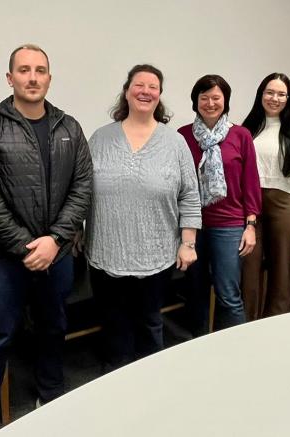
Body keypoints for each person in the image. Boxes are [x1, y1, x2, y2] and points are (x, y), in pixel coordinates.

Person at [0, 44, 92, 436]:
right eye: (24, 70)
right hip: (2, 257)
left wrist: (54, 240)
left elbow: (83, 186)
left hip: (58, 253)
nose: (32, 77)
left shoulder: (69, 127)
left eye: (40, 70)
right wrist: (26, 246)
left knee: (53, 326)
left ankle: (51, 395)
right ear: (10, 78)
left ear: (49, 79)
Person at [86, 64, 201, 370]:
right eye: (139, 85)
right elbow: (81, 190)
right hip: (106, 252)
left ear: (159, 95)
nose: (145, 91)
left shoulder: (174, 143)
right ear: (127, 91)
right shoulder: (100, 138)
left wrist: (188, 242)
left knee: (150, 322)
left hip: (155, 253)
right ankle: (116, 382)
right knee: (113, 325)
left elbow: (190, 194)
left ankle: (150, 382)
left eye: (153, 87)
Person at [178, 74, 261, 334]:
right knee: (195, 291)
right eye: (204, 98)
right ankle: (198, 346)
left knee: (228, 294)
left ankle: (238, 349)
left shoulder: (241, 135)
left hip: (230, 225)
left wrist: (250, 225)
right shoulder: (182, 136)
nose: (210, 103)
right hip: (194, 227)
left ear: (225, 101)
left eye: (216, 97)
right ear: (196, 101)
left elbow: (251, 183)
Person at [239, 73, 290, 319]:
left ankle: (277, 322)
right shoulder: (248, 127)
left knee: (282, 269)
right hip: (250, 204)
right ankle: (248, 322)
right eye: (269, 92)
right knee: (248, 267)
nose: (275, 98)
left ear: (289, 98)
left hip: (285, 204)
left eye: (281, 94)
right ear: (261, 95)